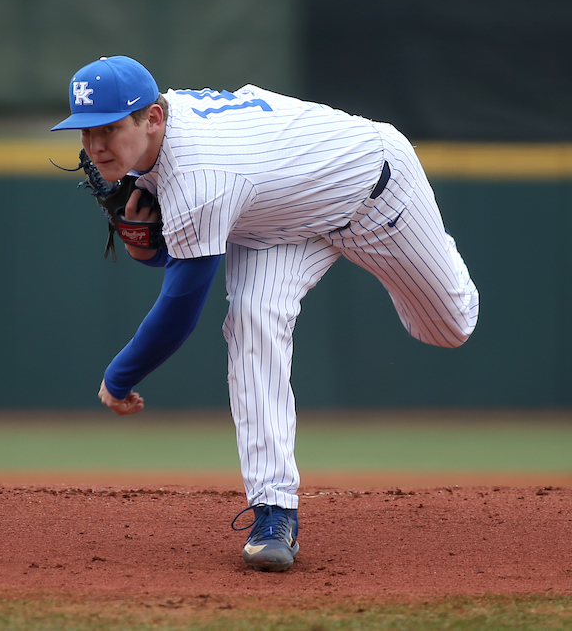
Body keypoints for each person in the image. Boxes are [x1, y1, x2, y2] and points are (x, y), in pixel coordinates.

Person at [51, 55, 478, 572]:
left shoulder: (200, 173)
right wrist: (156, 247)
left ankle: (434, 247)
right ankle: (274, 511)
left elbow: (181, 308)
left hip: (372, 190)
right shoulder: (164, 144)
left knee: (447, 327)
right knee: (251, 321)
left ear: (153, 118)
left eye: (110, 129)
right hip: (273, 226)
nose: (96, 148)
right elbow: (193, 239)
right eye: (86, 132)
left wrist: (120, 378)